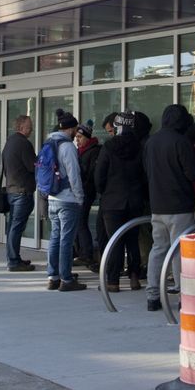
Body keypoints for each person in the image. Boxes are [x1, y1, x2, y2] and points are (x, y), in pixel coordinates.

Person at [143, 104, 195, 311]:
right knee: (180, 252)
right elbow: (193, 173)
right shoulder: (181, 142)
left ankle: (152, 296)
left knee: (158, 249)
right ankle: (183, 296)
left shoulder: (151, 142)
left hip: (157, 205)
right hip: (180, 206)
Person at [96, 111, 146, 292]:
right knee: (133, 240)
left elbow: (99, 175)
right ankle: (134, 277)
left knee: (114, 241)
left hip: (112, 201)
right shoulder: (140, 147)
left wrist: (104, 191)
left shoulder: (108, 147)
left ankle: (113, 280)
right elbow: (144, 175)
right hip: (134, 200)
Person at [45, 109, 87, 292]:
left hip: (52, 197)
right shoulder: (68, 146)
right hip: (67, 199)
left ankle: (53, 276)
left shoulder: (49, 142)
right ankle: (67, 279)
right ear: (71, 129)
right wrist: (80, 197)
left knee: (55, 237)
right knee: (66, 240)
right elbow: (74, 174)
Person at [1, 115, 37, 271]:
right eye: (29, 126)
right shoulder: (24, 144)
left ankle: (13, 257)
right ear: (21, 127)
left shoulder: (9, 143)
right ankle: (14, 261)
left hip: (12, 190)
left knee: (13, 227)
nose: (32, 129)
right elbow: (33, 166)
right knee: (16, 227)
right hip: (22, 191)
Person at [73, 120, 101, 271]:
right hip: (80, 191)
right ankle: (80, 251)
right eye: (76, 137)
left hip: (85, 192)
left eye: (80, 137)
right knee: (78, 222)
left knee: (81, 222)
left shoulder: (92, 151)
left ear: (87, 137)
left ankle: (86, 253)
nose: (77, 140)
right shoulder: (80, 151)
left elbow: (90, 175)